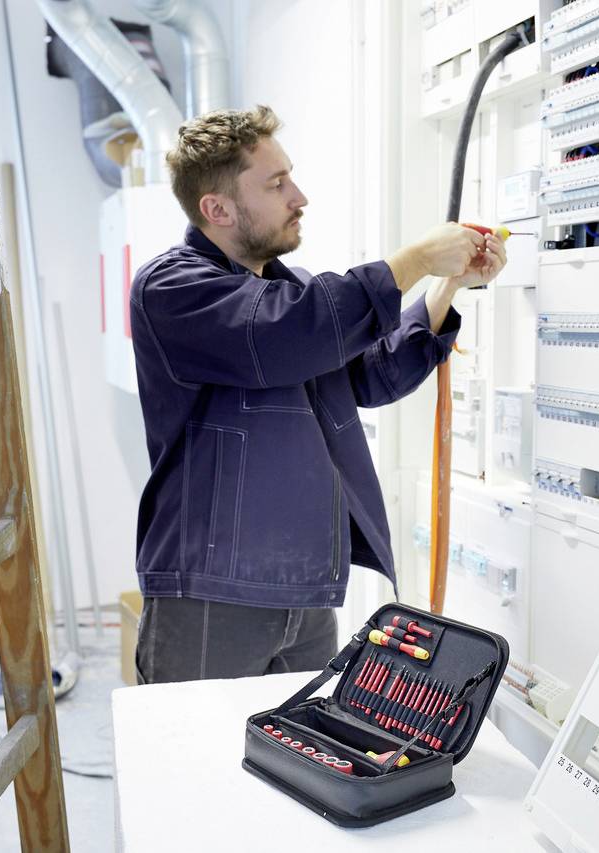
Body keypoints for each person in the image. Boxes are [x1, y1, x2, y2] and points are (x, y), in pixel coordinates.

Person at [129, 105, 506, 683]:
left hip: (306, 590)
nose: (298, 196)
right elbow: (284, 332)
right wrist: (418, 257)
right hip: (210, 590)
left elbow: (371, 374)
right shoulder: (173, 288)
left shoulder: (291, 294)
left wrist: (448, 283)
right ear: (217, 208)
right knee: (198, 761)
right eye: (276, 183)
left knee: (296, 760)